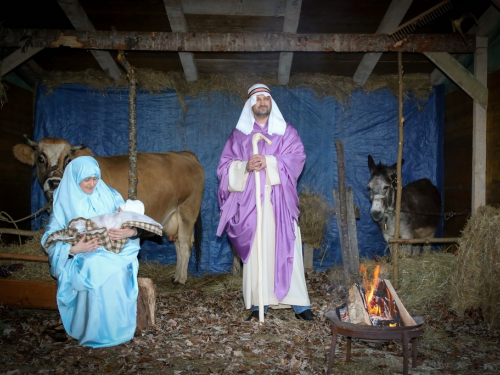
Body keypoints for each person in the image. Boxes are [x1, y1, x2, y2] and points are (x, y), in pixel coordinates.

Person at [216, 83, 316, 321]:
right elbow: (224, 168)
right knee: (258, 251)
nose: (262, 102)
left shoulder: (286, 131)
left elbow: (297, 158)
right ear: (251, 104)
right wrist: (244, 166)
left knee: (288, 247)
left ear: (271, 102)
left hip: (279, 201)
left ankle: (299, 304)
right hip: (252, 204)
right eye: (258, 99)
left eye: (266, 98)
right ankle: (257, 304)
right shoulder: (239, 135)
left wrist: (270, 162)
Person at [41, 156, 142, 347]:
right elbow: (50, 237)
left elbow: (131, 218)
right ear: (75, 177)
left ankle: (116, 328)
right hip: (82, 254)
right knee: (92, 264)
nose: (92, 183)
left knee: (116, 269)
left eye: (95, 178)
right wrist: (73, 249)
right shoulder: (63, 201)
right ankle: (93, 330)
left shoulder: (110, 194)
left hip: (114, 249)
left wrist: (131, 231)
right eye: (86, 179)